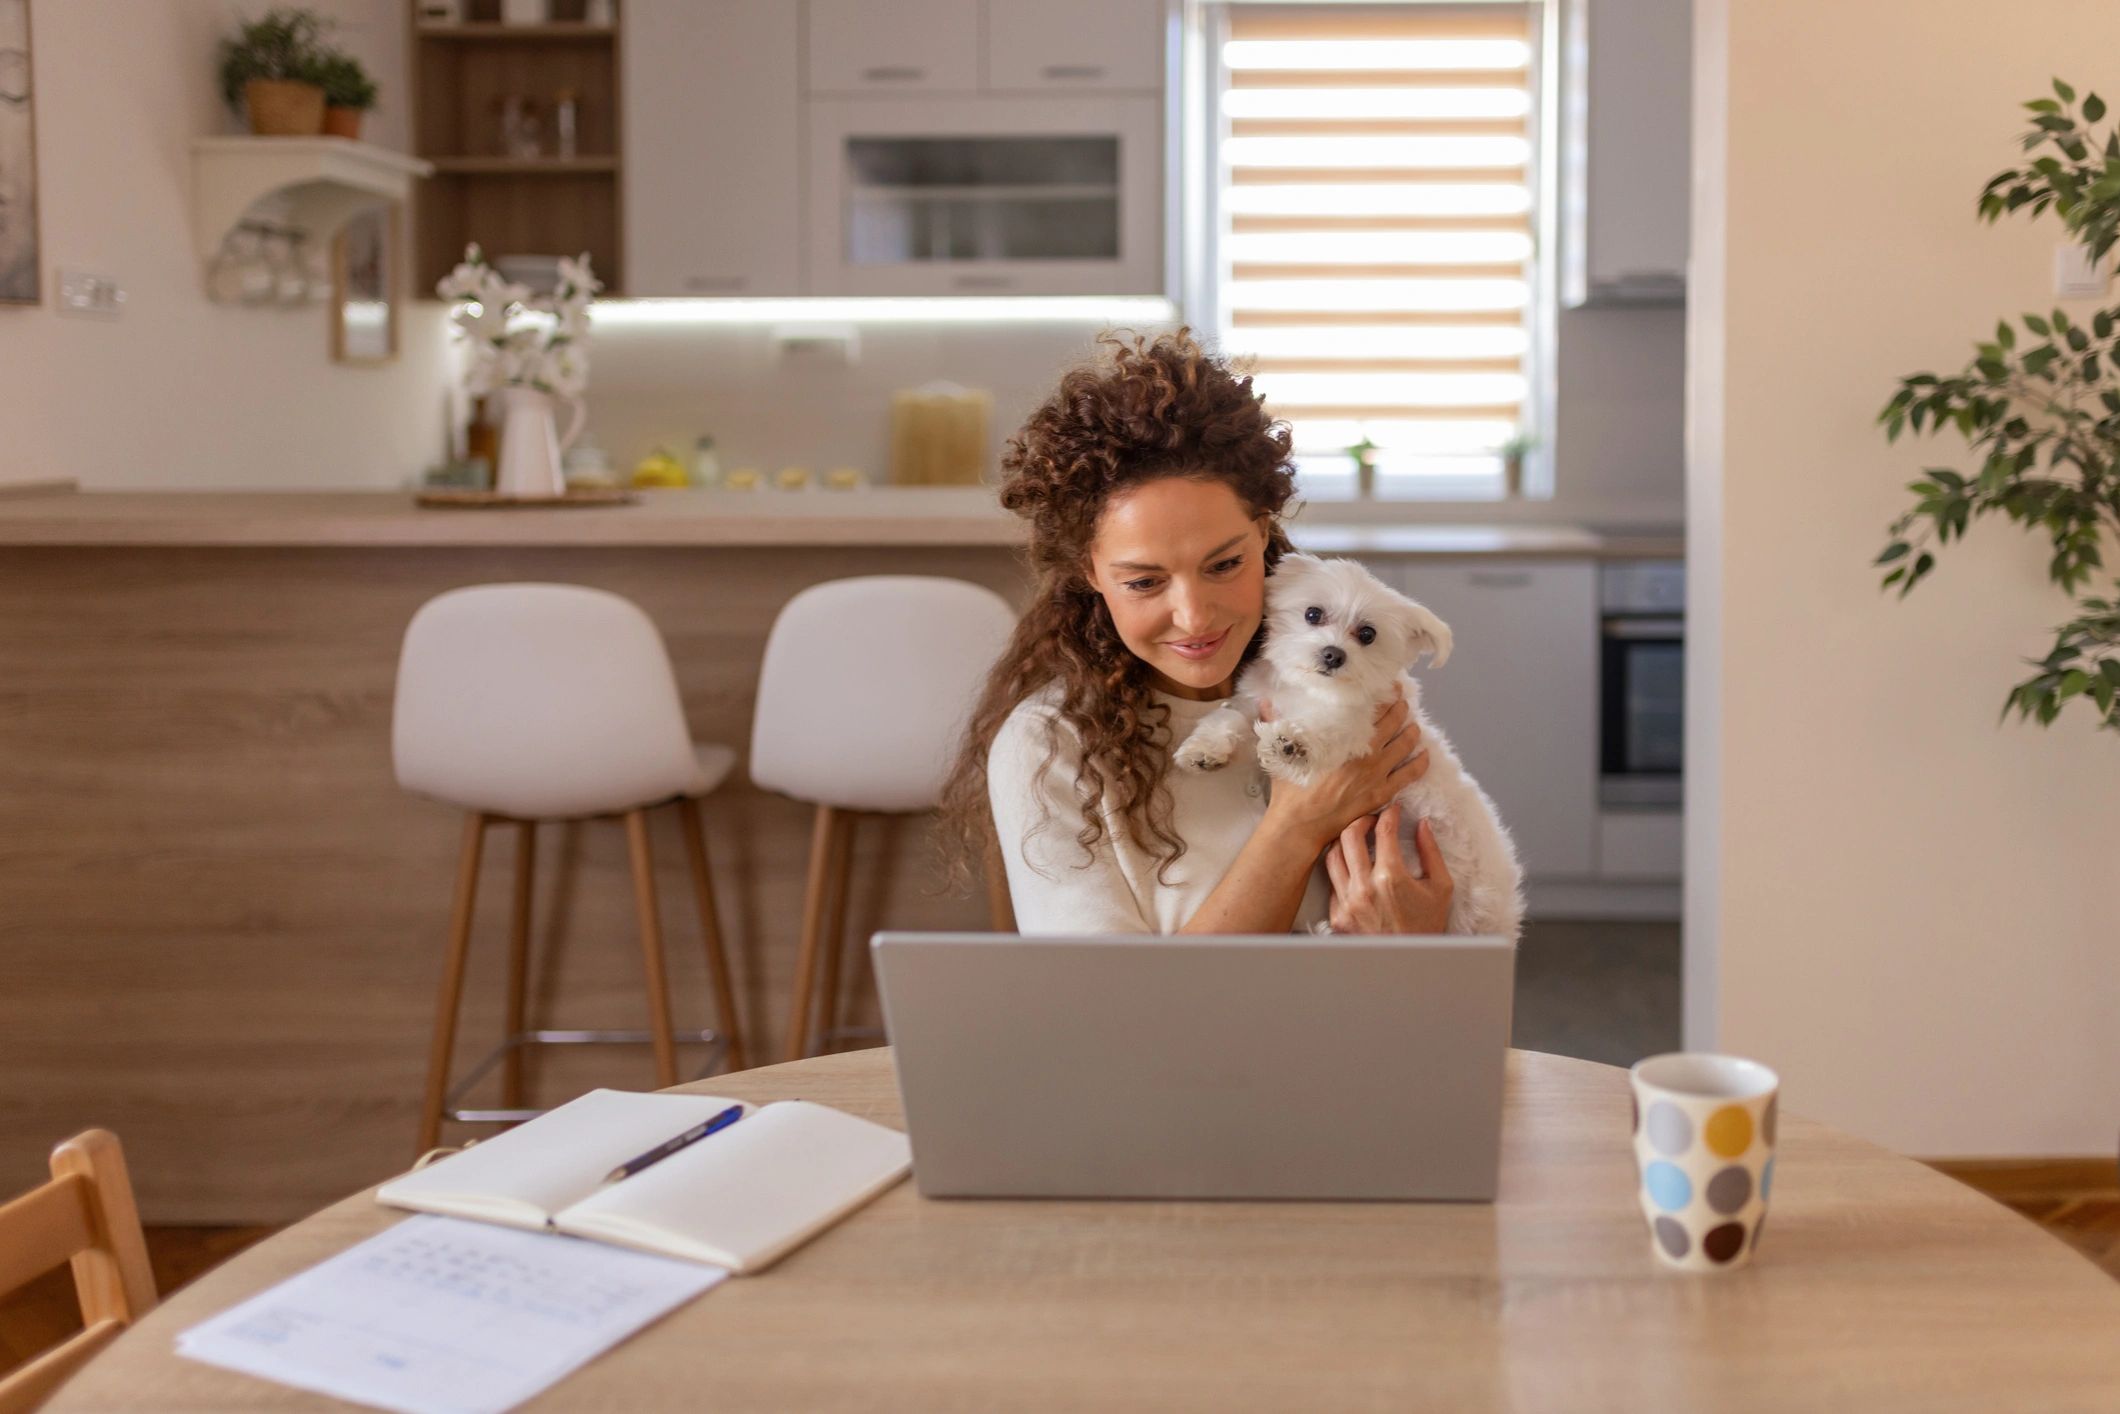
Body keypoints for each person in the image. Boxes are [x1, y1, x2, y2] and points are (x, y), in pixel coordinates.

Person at [937, 329, 1454, 935]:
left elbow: (1432, 956)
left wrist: (1421, 940)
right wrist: (1296, 827)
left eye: (1225, 564)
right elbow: (1102, 1015)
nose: (1196, 616)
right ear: (1090, 572)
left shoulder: (1351, 694)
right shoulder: (1050, 747)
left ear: (1262, 532)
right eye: (1144, 582)